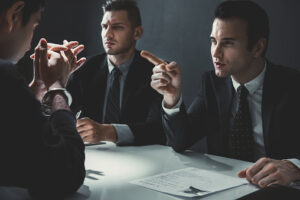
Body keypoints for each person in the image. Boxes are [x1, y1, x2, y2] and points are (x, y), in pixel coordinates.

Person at [142, 0, 300, 188]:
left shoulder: (292, 85)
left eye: (228, 43)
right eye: (213, 41)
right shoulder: (212, 84)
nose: (215, 53)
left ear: (258, 47)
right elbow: (180, 142)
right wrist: (171, 97)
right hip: (227, 190)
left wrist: (295, 167)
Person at [0, 0, 86, 198]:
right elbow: (66, 173)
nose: (31, 43)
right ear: (14, 14)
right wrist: (57, 87)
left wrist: (39, 87)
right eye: (34, 25)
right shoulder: (4, 73)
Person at [66, 0, 165, 146]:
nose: (108, 34)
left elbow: (159, 130)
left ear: (137, 33)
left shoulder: (155, 72)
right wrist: (56, 82)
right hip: (94, 158)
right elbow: (60, 116)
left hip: (141, 158)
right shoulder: (85, 68)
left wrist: (107, 132)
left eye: (117, 27)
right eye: (104, 26)